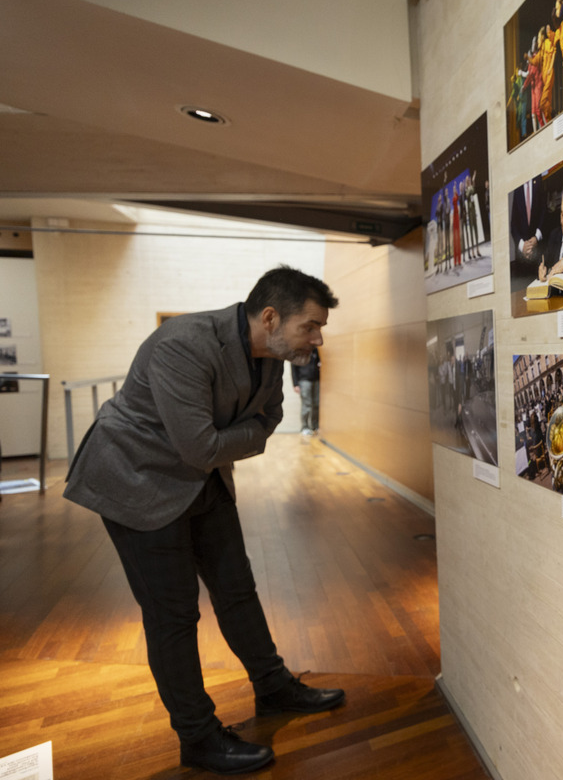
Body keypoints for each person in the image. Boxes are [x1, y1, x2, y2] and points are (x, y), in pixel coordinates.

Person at [63, 266, 345, 775]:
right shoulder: (183, 345)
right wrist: (242, 437)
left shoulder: (273, 353)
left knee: (237, 589)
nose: (318, 338)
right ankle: (196, 736)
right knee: (173, 616)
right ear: (270, 316)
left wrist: (232, 439)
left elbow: (272, 418)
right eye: (311, 326)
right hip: (137, 480)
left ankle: (273, 686)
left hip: (202, 479)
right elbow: (204, 445)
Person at [291, 347, 321, 435]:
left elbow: (318, 362)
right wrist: (295, 383)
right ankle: (305, 427)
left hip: (316, 380)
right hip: (304, 381)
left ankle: (315, 426)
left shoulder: (315, 350)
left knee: (316, 404)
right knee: (307, 404)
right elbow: (293, 368)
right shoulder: (298, 350)